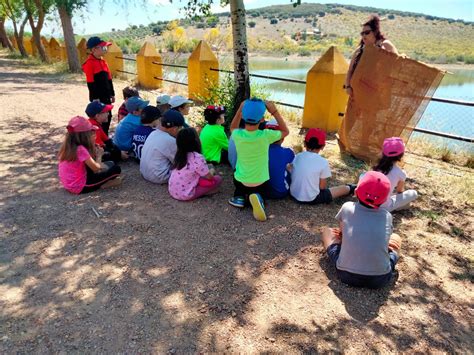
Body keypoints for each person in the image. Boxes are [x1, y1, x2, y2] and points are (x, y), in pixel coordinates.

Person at [321, 171, 402, 289]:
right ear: (385, 200)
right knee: (396, 238)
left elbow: (342, 232)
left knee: (327, 231)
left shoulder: (347, 207)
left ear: (355, 192)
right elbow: (386, 236)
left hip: (345, 274)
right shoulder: (387, 216)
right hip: (380, 278)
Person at [228, 98, 289, 222]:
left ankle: (239, 197)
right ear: (262, 119)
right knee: (261, 188)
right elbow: (285, 131)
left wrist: (240, 109)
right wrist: (274, 112)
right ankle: (258, 198)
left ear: (244, 117)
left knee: (237, 175)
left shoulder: (237, 135)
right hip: (261, 182)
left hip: (241, 181)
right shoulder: (266, 135)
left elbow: (232, 127)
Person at [290, 128, 356, 204]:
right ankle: (351, 188)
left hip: (293, 194)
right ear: (322, 146)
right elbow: (322, 187)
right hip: (312, 198)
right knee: (341, 189)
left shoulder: (298, 156)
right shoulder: (323, 162)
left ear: (304, 143)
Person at [58, 116, 121, 194]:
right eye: (91, 133)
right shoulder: (81, 149)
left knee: (110, 163)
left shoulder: (68, 146)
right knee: (116, 169)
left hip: (69, 183)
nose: (93, 134)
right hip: (81, 186)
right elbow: (96, 169)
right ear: (85, 135)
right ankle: (104, 184)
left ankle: (103, 181)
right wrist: (99, 155)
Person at [344, 15, 398, 98]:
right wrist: (347, 86)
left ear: (375, 32)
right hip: (356, 95)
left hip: (376, 95)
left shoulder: (385, 44)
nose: (364, 36)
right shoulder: (360, 49)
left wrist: (382, 54)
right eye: (362, 33)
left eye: (367, 32)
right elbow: (350, 70)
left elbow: (397, 64)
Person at [169, 128, 223, 201]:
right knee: (218, 179)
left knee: (200, 175)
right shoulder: (197, 157)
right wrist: (212, 173)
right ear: (196, 141)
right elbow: (209, 177)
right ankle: (205, 192)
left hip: (172, 191)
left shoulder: (179, 155)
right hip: (186, 195)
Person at [373, 137, 418, 212]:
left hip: (367, 201)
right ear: (401, 155)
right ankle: (399, 206)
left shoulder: (375, 168)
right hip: (383, 207)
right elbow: (399, 191)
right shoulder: (401, 173)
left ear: (383, 152)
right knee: (413, 193)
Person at [140, 110, 184, 184]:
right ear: (175, 128)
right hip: (159, 177)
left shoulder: (153, 133)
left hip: (144, 172)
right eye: (180, 128)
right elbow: (179, 162)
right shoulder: (169, 140)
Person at [82, 36, 115, 135]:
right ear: (93, 49)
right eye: (102, 47)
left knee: (108, 116)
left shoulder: (103, 61)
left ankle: (105, 137)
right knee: (99, 119)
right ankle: (99, 139)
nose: (105, 49)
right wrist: (95, 98)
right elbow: (90, 83)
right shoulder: (89, 63)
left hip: (106, 95)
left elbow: (109, 79)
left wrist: (112, 94)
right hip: (98, 97)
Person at [265, 119, 295, 199]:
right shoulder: (288, 152)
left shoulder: (259, 150)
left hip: (262, 189)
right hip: (280, 192)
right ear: (283, 138)